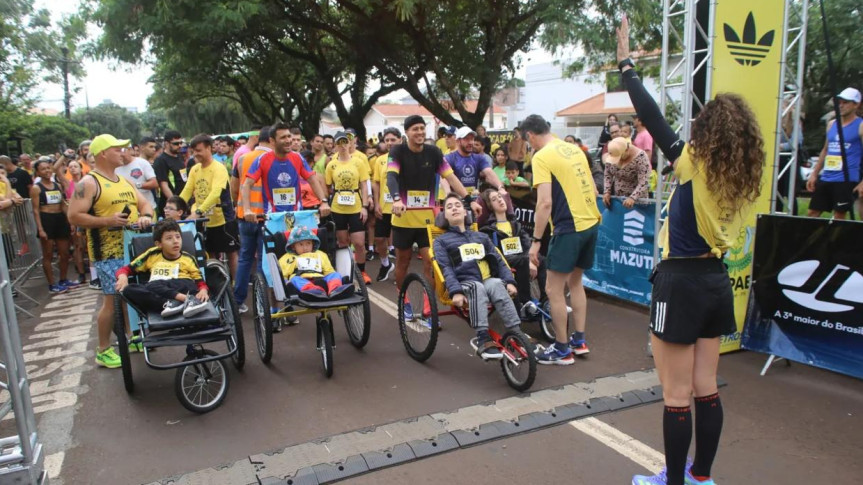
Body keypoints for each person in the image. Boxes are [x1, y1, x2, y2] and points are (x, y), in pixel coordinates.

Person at [616, 16, 765, 485]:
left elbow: (650, 114)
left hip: (680, 282)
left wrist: (626, 64)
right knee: (705, 389)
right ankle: (701, 478)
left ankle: (675, 483)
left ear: (708, 132)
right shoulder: (742, 179)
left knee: (676, 393)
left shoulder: (694, 163)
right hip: (716, 283)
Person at [67, 134, 154, 369]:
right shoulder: (88, 183)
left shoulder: (123, 180)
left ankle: (132, 336)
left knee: (128, 296)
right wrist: (107, 221)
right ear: (104, 153)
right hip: (106, 252)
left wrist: (146, 216)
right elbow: (74, 216)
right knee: (112, 300)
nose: (123, 152)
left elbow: (144, 203)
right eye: (118, 149)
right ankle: (103, 350)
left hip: (132, 249)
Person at [524, 114, 601, 365]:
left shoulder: (541, 156)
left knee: (553, 289)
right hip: (590, 223)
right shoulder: (572, 148)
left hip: (569, 227)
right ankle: (579, 341)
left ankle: (561, 348)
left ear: (530, 136)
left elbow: (544, 202)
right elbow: (593, 187)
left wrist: (536, 241)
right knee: (576, 283)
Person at [387, 114, 471, 312]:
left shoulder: (433, 152)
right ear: (407, 132)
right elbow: (391, 176)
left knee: (431, 262)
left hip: (427, 220)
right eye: (415, 129)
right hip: (403, 219)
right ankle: (402, 296)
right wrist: (397, 199)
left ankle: (428, 303)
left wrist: (468, 200)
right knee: (403, 261)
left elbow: (451, 177)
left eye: (422, 128)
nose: (420, 132)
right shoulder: (397, 151)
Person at [434, 193, 527, 359]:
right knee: (477, 286)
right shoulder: (441, 241)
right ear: (445, 216)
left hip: (487, 280)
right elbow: (445, 268)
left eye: (457, 205)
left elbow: (499, 260)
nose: (454, 208)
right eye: (449, 207)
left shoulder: (481, 236)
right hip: (464, 283)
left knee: (497, 284)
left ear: (465, 212)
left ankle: (516, 333)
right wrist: (455, 291)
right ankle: (482, 337)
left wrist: (509, 281)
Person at [115, 219, 209, 318]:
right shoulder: (152, 254)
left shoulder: (188, 258)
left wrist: (203, 290)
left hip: (182, 285)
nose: (175, 241)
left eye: (178, 237)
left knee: (153, 285)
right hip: (160, 292)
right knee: (129, 289)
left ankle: (183, 299)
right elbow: (126, 269)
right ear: (159, 244)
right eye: (169, 238)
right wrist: (122, 277)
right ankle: (173, 303)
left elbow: (200, 281)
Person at [479, 188, 547, 319]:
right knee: (522, 262)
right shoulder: (488, 230)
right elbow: (495, 253)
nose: (500, 200)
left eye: (500, 196)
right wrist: (527, 260)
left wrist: (531, 260)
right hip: (504, 262)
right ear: (489, 206)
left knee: (541, 259)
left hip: (521, 257)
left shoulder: (515, 225)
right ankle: (525, 302)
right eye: (494, 199)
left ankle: (546, 301)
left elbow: (527, 244)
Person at [179, 134, 240, 279]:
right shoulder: (194, 169)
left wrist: (198, 211)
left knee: (231, 253)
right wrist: (175, 206)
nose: (195, 154)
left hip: (223, 218)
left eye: (199, 150)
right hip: (205, 220)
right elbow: (187, 190)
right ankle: (217, 285)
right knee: (209, 253)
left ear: (209, 148)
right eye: (193, 151)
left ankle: (236, 288)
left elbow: (215, 193)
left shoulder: (218, 168)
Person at [231, 126, 272, 313]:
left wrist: (239, 205)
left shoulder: (241, 159)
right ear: (271, 140)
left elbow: (234, 187)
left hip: (244, 215)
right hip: (265, 217)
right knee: (265, 261)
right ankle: (262, 303)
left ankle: (238, 301)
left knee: (245, 258)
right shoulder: (273, 159)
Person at [806, 87, 862, 219]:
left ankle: (836, 240)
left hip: (846, 179)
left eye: (846, 102)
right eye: (840, 102)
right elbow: (825, 150)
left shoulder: (860, 125)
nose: (841, 106)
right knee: (812, 213)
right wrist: (814, 174)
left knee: (839, 215)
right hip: (827, 176)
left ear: (856, 105)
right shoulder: (831, 124)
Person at [326, 131, 372, 284]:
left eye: (345, 142)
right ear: (335, 146)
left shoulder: (358, 162)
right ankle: (344, 272)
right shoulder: (331, 164)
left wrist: (365, 206)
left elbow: (364, 186)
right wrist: (326, 202)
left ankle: (362, 271)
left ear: (350, 143)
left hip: (356, 205)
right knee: (342, 242)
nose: (343, 145)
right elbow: (327, 186)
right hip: (338, 207)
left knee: (359, 242)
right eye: (339, 142)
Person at [30, 159, 78, 293]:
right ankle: (52, 284)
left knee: (64, 253)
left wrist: (70, 221)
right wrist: (40, 229)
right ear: (38, 172)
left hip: (60, 219)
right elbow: (35, 210)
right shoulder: (36, 188)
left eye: (48, 168)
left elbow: (63, 204)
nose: (47, 171)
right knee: (48, 254)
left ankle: (63, 279)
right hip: (46, 220)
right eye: (43, 169)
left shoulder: (57, 185)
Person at [278, 225, 352, 300]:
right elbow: (283, 275)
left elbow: (328, 270)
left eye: (308, 243)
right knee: (294, 279)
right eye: (301, 244)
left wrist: (332, 276)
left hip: (320, 279)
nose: (305, 247)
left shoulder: (320, 254)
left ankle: (335, 289)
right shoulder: (288, 258)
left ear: (313, 243)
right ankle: (313, 291)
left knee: (335, 274)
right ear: (293, 246)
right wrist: (286, 283)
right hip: (302, 280)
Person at [444, 127, 506, 209]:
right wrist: (448, 195)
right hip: (456, 204)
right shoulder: (449, 158)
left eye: (472, 139)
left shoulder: (479, 158)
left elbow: (489, 173)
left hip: (474, 202)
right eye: (466, 139)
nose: (470, 142)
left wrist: (500, 187)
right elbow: (445, 178)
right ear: (458, 141)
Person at [371, 127, 401, 281]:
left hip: (402, 208)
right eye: (387, 140)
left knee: (402, 243)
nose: (389, 143)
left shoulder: (406, 158)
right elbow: (376, 183)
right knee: (380, 239)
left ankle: (402, 272)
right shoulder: (380, 160)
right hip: (384, 207)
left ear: (400, 140)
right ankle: (385, 264)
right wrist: (376, 204)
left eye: (393, 140)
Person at [603, 137, 651, 209]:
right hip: (618, 200)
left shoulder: (641, 157)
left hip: (638, 202)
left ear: (627, 149)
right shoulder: (612, 154)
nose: (619, 160)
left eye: (620, 156)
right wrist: (607, 191)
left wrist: (633, 198)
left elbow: (644, 182)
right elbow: (608, 174)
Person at [153, 130, 187, 216]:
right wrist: (175, 204)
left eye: (181, 143)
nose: (179, 146)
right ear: (166, 144)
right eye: (176, 143)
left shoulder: (179, 157)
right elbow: (163, 185)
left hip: (183, 201)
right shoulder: (161, 160)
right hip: (171, 206)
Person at [116, 146, 158, 211]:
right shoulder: (115, 167)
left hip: (148, 207)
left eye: (124, 153)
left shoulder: (142, 163)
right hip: (127, 210)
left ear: (130, 150)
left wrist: (136, 185)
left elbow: (154, 183)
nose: (122, 156)